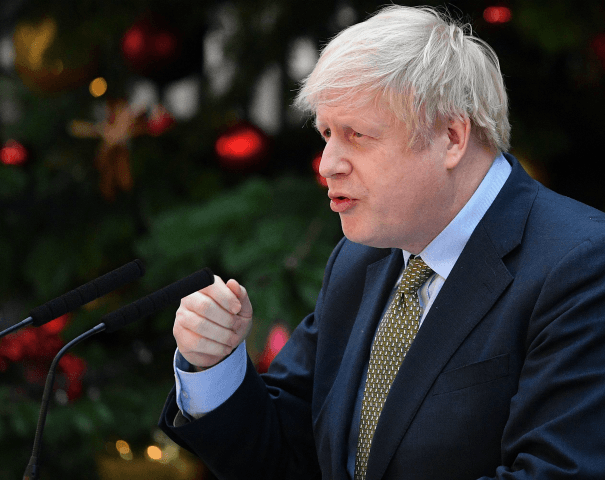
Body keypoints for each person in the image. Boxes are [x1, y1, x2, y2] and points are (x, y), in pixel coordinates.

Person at [159, 5, 605, 480]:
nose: (328, 164)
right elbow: (287, 452)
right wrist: (213, 366)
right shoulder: (360, 257)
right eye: (327, 134)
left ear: (451, 137)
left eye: (357, 135)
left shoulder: (581, 263)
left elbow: (559, 471)